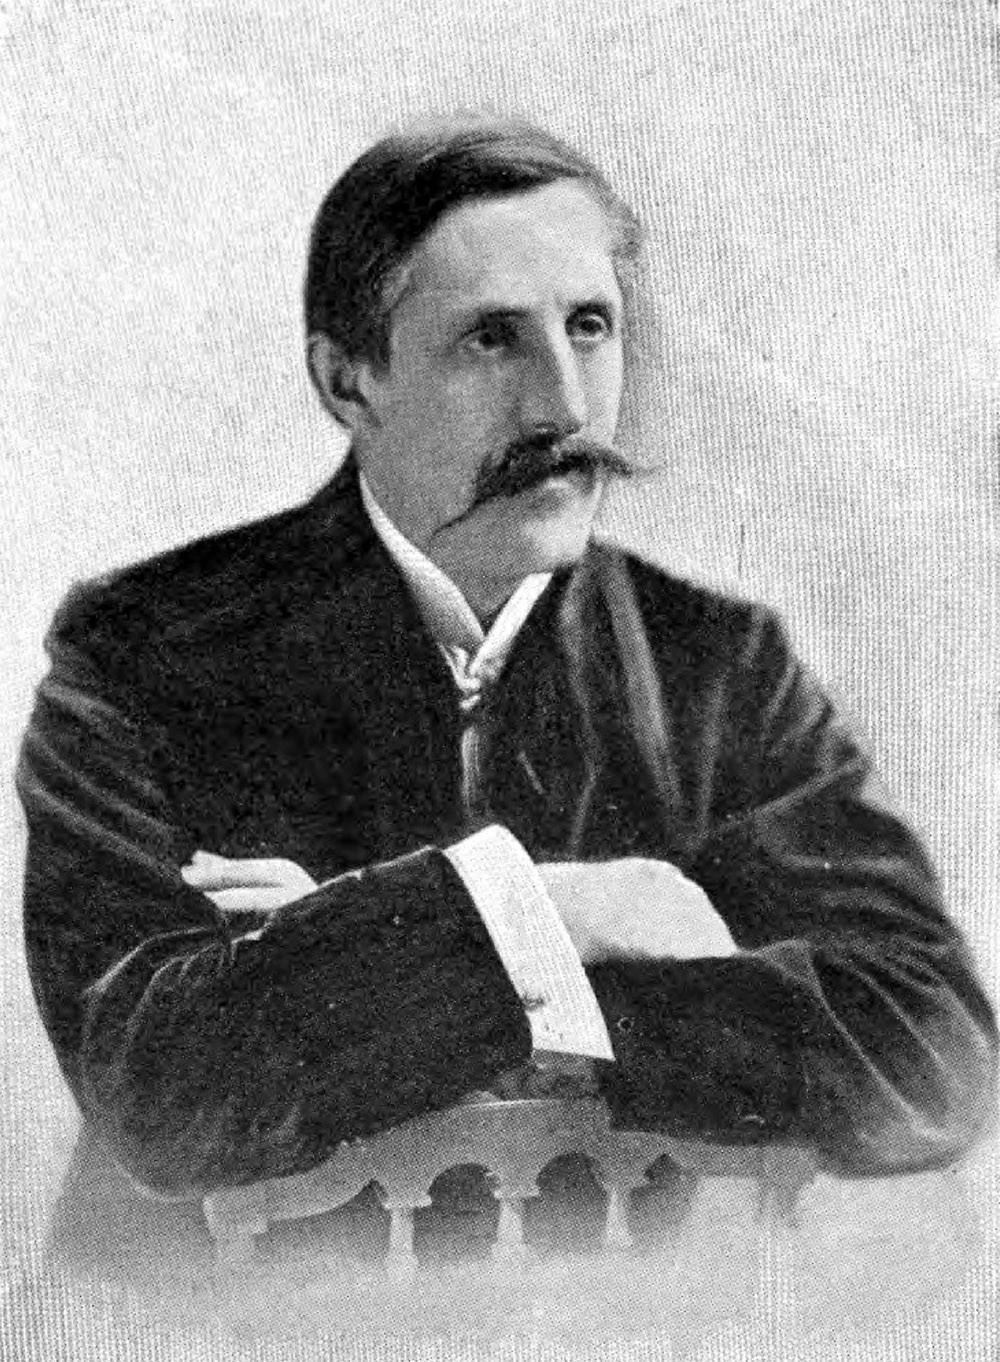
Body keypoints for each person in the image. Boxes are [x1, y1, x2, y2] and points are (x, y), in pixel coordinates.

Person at [17, 117, 996, 1241]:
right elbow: (160, 1093)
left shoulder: (720, 664)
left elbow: (937, 1057)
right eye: (492, 340)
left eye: (590, 327)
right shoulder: (143, 651)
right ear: (348, 380)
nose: (565, 407)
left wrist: (370, 948)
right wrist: (586, 910)